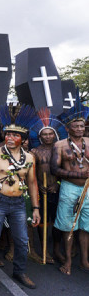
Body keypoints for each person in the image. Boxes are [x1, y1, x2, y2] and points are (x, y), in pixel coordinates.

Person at [0, 104, 40, 290]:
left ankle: (19, 271)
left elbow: (32, 183)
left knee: (22, 240)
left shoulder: (29, 158)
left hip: (19, 202)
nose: (10, 138)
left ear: (23, 139)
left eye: (15, 135)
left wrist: (36, 208)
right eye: (8, 134)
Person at [51, 98, 89, 275]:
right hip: (69, 188)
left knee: (86, 226)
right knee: (68, 225)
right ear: (68, 128)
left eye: (82, 126)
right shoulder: (59, 145)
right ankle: (67, 260)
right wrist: (77, 174)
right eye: (76, 126)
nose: (80, 129)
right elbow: (54, 169)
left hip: (88, 189)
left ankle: (83, 260)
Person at [28, 108, 67, 264]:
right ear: (40, 136)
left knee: (58, 221)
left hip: (57, 189)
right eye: (45, 134)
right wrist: (37, 186)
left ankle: (57, 250)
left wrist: (57, 184)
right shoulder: (34, 152)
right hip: (40, 190)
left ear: (55, 134)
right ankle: (44, 250)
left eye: (50, 133)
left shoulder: (62, 150)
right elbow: (30, 174)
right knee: (42, 222)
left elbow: (65, 170)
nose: (48, 136)